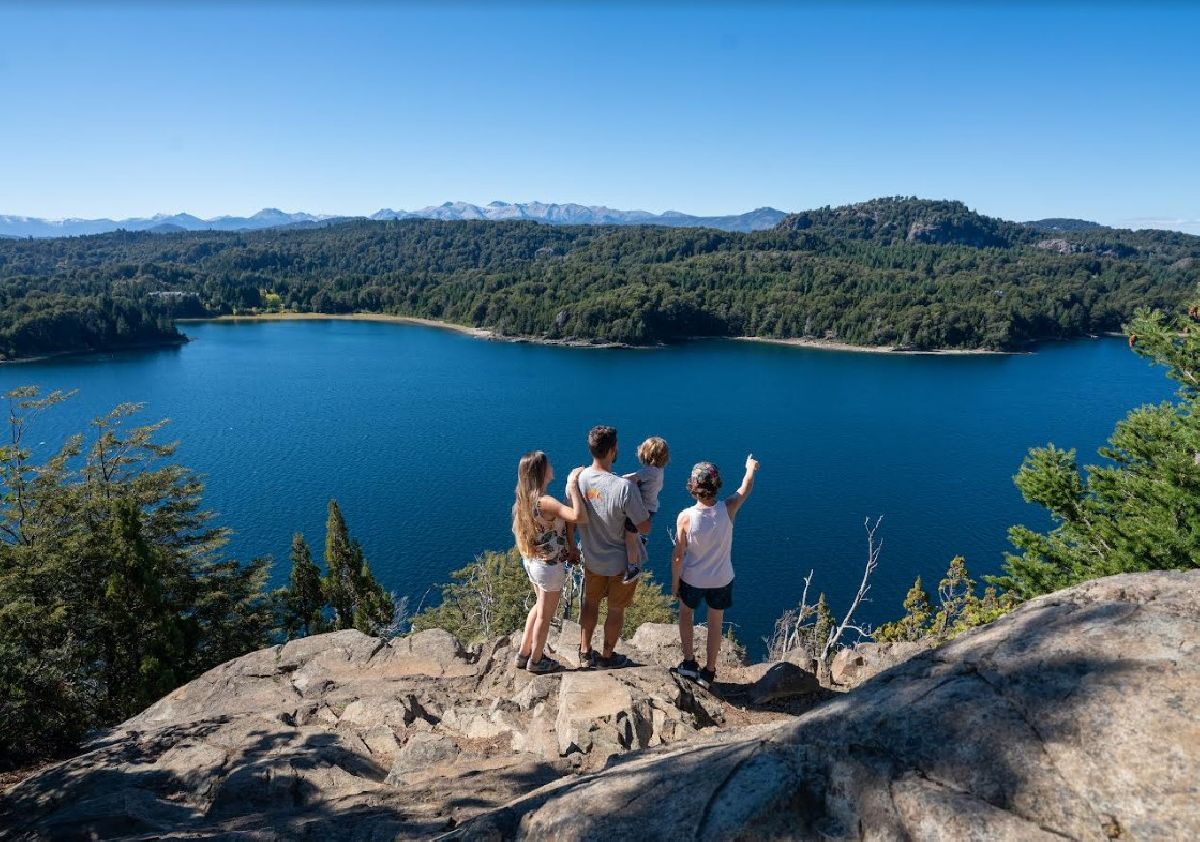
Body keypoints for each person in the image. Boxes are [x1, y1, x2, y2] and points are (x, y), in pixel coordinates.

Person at [671, 454, 760, 689]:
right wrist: (750, 467)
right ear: (716, 485)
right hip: (722, 579)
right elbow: (746, 487)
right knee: (715, 623)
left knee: (686, 615)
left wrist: (674, 583)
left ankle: (689, 663)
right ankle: (709, 671)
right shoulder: (728, 508)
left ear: (693, 487)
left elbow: (678, 555)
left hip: (692, 579)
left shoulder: (686, 517)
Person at [569, 425, 650, 669]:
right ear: (613, 450)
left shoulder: (578, 480)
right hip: (621, 563)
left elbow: (570, 517)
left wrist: (573, 547)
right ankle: (606, 657)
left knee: (590, 603)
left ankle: (584, 651)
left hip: (592, 559)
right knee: (615, 609)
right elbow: (644, 526)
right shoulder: (623, 488)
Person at [512, 451, 588, 674]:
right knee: (545, 616)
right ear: (542, 472)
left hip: (532, 562)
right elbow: (578, 516)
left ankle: (524, 653)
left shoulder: (524, 499)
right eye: (548, 464)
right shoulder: (546, 502)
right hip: (548, 568)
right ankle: (536, 661)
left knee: (538, 608)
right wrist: (572, 484)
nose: (552, 466)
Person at [620, 436, 670, 584]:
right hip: (651, 507)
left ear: (646, 454)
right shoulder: (659, 471)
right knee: (634, 531)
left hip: (642, 509)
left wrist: (616, 479)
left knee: (628, 536)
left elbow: (632, 478)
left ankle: (632, 566)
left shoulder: (649, 471)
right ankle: (641, 538)